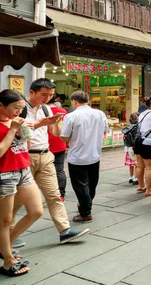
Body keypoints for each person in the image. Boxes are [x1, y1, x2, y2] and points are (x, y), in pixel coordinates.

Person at [15, 78, 88, 246]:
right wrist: (42, 123)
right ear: (32, 92)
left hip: (45, 155)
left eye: (50, 95)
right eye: (43, 95)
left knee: (54, 195)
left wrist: (55, 123)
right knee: (18, 198)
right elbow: (17, 130)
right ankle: (8, 234)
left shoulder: (47, 109)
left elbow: (54, 133)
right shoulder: (20, 108)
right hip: (25, 156)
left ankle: (65, 231)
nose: (47, 98)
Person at [0, 90, 44, 277]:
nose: (19, 112)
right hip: (4, 174)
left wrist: (24, 129)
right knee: (5, 220)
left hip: (23, 169)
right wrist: (12, 129)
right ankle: (8, 261)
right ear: (1, 105)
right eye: (15, 108)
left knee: (36, 211)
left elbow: (27, 145)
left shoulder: (17, 120)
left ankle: (5, 246)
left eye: (21, 108)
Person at [60, 91, 109, 222]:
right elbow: (105, 130)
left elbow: (64, 137)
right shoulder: (100, 114)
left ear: (74, 101)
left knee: (81, 185)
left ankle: (85, 212)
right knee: (92, 184)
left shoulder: (71, 116)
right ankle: (85, 205)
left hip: (77, 156)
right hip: (95, 154)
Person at [47, 95, 68, 202]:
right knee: (59, 170)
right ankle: (61, 195)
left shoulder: (40, 110)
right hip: (59, 143)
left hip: (43, 145)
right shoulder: (62, 111)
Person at [124, 113, 139, 185]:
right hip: (135, 148)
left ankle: (130, 177)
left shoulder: (128, 127)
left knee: (130, 165)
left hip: (128, 148)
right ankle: (135, 178)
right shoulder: (137, 127)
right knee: (137, 164)